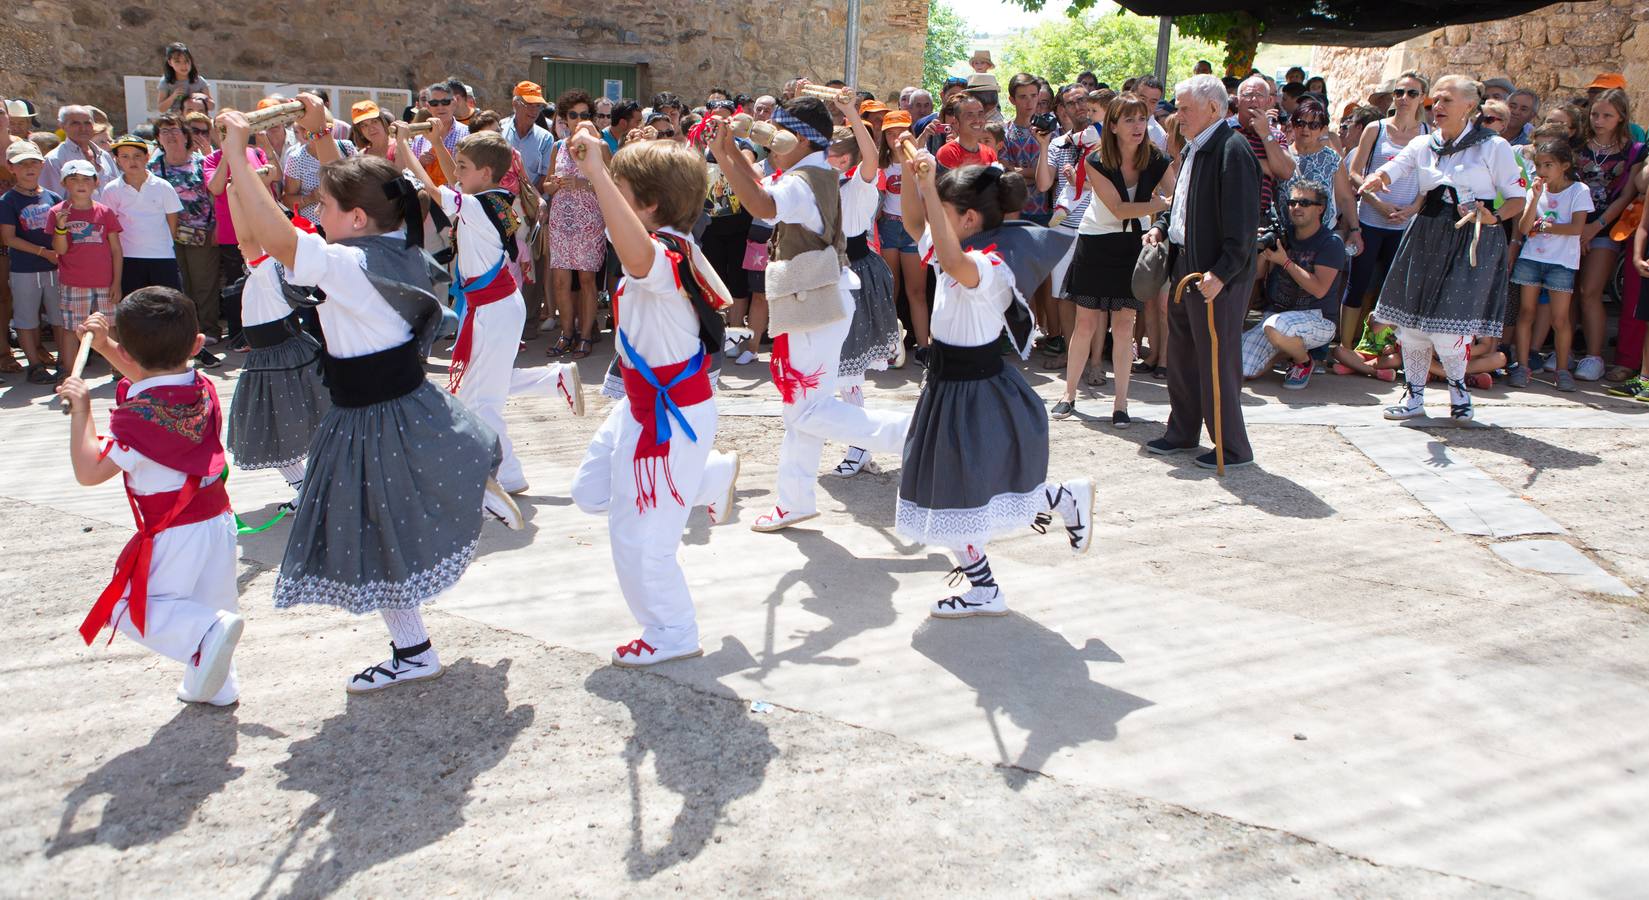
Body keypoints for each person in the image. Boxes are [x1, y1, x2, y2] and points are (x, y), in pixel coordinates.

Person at [218, 100, 517, 692]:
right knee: (379, 530)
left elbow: (277, 237)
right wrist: (321, 132)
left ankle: (415, 650)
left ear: (355, 218)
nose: (315, 215)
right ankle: (469, 478)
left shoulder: (347, 265)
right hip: (399, 405)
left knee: (373, 534)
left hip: (370, 418)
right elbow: (364, 184)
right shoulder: (396, 240)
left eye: (323, 208)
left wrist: (235, 153)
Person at [564, 130, 741, 665]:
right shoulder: (669, 249)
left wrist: (597, 172)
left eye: (621, 191)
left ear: (649, 205)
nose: (610, 196)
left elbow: (635, 254)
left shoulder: (661, 257)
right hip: (641, 406)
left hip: (669, 415)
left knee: (642, 538)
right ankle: (710, 477)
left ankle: (672, 631)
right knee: (590, 492)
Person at [896, 158, 1092, 617]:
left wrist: (926, 182)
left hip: (976, 393)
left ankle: (990, 583)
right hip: (947, 389)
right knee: (954, 494)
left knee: (962, 493)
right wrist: (910, 176)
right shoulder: (962, 243)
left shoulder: (987, 263)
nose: (931, 218)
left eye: (940, 209)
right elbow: (910, 222)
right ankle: (1060, 503)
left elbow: (950, 259)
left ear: (967, 218)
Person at [709, 94, 911, 533]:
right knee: (802, 409)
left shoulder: (804, 180)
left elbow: (762, 206)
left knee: (804, 411)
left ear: (800, 138)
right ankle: (793, 500)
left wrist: (726, 157)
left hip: (814, 305)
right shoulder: (813, 171)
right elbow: (766, 192)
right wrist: (728, 153)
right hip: (818, 300)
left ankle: (910, 432)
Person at [56, 290, 244, 706]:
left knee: (130, 609)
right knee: (212, 607)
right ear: (197, 344)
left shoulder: (139, 420)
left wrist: (82, 410)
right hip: (218, 522)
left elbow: (89, 471)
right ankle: (217, 686)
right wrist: (106, 345)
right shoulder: (202, 386)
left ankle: (207, 639)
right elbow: (151, 375)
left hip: (174, 532)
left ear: (129, 351)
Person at [397, 121, 585, 495]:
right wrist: (437, 143)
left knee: (485, 398)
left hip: (494, 307)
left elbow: (435, 190)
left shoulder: (477, 206)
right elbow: (455, 182)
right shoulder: (492, 197)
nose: (458, 173)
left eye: (464, 166)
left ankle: (507, 475)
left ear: (484, 172)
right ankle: (552, 382)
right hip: (491, 305)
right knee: (474, 387)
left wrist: (405, 145)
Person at [1363, 74, 1527, 423]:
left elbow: (1517, 197)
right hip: (1425, 234)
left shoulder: (1492, 146)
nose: (1436, 107)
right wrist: (1379, 178)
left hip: (1471, 237)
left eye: (1445, 100)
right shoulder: (1425, 143)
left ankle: (1459, 394)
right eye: (1434, 100)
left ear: (1470, 106)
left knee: (1449, 327)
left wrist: (1494, 216)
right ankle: (1414, 397)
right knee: (1411, 327)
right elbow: (1398, 165)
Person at [1142, 74, 1262, 470]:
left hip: (1214, 276)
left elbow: (1244, 226)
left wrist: (1222, 273)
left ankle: (1232, 447)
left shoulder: (1233, 149)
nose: (1178, 115)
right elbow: (1184, 202)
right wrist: (1161, 226)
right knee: (1183, 356)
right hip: (1185, 267)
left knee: (1216, 360)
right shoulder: (1197, 147)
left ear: (1213, 108)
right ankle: (1183, 431)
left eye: (1184, 107)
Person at [1054, 92, 1172, 426]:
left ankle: (1121, 404)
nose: (1138, 126)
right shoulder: (1095, 160)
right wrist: (1160, 205)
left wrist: (1161, 218)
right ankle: (1069, 394)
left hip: (1135, 245)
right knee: (1086, 324)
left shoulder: (1157, 158)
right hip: (1096, 244)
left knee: (1124, 326)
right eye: (1130, 119)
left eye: (1142, 119)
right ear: (1114, 126)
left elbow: (1178, 197)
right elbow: (1118, 208)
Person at [220, 183, 328, 498]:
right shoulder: (282, 265)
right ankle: (311, 484)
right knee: (294, 424)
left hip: (274, 358)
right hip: (289, 351)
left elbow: (245, 239)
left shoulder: (269, 267)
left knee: (275, 428)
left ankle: (305, 487)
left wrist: (234, 192)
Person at [826, 112, 902, 478]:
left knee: (847, 369)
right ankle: (861, 444)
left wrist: (855, 115)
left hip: (855, 275)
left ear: (847, 158)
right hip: (827, 275)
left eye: (835, 153)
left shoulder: (860, 183)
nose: (828, 158)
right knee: (834, 369)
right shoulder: (823, 183)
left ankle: (861, 446)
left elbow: (871, 158)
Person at [1344, 72, 1430, 347]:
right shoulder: (1375, 129)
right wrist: (1377, 203)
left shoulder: (1429, 135)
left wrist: (1415, 207)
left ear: (1422, 98)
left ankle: (1379, 348)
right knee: (1357, 284)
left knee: (1393, 292)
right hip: (1370, 219)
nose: (1404, 98)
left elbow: (1431, 180)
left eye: (1412, 93)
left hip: (1405, 224)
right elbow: (1355, 173)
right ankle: (1345, 346)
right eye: (1399, 92)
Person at [1241, 180, 1347, 389]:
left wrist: (1285, 262)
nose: (1296, 208)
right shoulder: (1283, 234)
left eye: (1304, 203)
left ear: (1320, 208)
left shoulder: (1331, 242)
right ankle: (1284, 352)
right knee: (1243, 370)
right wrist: (1263, 251)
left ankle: (1303, 361)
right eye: (1292, 202)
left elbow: (1318, 289)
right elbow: (1257, 276)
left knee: (1276, 326)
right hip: (1277, 314)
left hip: (1318, 318)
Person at [1570, 88, 1645, 382]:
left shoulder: (1634, 150)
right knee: (1568, 292)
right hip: (1570, 225)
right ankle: (1563, 353)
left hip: (1604, 227)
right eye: (1595, 114)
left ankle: (1594, 355)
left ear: (1621, 117)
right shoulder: (1577, 146)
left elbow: (1626, 196)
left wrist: (1593, 227)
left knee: (1590, 291)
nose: (1599, 120)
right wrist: (1578, 228)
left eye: (1607, 116)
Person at [1510, 140, 1593, 390]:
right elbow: (1524, 228)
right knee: (1526, 313)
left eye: (1548, 165)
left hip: (1561, 263)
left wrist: (1543, 226)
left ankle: (1562, 371)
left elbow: (1577, 228)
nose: (1542, 171)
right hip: (1532, 259)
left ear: (1564, 165)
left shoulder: (1579, 190)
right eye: (1538, 165)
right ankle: (1522, 367)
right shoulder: (1535, 191)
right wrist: (1534, 199)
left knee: (1560, 319)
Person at [544, 89, 610, 360]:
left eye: (584, 115)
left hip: (589, 220)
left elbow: (614, 185)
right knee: (560, 280)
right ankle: (566, 333)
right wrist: (554, 185)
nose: (578, 119)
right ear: (564, 118)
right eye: (573, 115)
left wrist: (584, 183)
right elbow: (546, 185)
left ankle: (585, 335)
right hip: (561, 219)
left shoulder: (601, 147)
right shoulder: (558, 147)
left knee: (586, 279)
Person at [150, 114, 219, 359]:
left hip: (202, 232)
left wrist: (217, 226)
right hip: (169, 235)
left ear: (185, 134)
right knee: (180, 286)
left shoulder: (201, 162)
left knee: (204, 283)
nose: (170, 135)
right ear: (158, 138)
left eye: (175, 130)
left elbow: (214, 196)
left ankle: (208, 329)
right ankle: (185, 334)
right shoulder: (154, 167)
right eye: (164, 131)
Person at [51, 159, 123, 379]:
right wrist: (61, 228)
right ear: (64, 184)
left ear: (95, 183)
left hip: (105, 281)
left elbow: (116, 250)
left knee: (110, 325)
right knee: (73, 329)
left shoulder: (105, 212)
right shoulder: (57, 212)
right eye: (73, 179)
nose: (80, 184)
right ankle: (71, 374)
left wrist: (116, 283)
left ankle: (119, 369)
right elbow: (60, 250)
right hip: (73, 282)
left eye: (85, 179)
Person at [1, 140, 63, 382]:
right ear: (11, 167)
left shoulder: (53, 196)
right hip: (25, 269)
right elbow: (8, 238)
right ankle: (34, 366)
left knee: (59, 316)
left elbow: (61, 231)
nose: (29, 169)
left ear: (42, 165)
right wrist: (42, 252)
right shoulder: (8, 201)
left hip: (53, 267)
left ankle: (64, 361)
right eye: (22, 164)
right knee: (27, 318)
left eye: (33, 163)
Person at [102, 135, 184, 298]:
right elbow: (110, 227)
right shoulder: (111, 190)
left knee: (166, 306)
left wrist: (163, 246)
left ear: (147, 157)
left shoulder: (163, 186)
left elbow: (172, 222)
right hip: (128, 257)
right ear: (117, 160)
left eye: (137, 156)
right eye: (125, 156)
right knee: (134, 308)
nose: (132, 161)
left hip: (162, 256)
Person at [503, 82, 554, 338]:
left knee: (531, 263)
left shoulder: (545, 137)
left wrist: (526, 197)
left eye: (538, 105)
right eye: (529, 104)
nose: (534, 110)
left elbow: (545, 174)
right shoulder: (500, 131)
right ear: (515, 103)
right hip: (499, 205)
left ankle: (529, 320)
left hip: (531, 206)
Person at [876, 110, 927, 355]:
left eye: (902, 131)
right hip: (888, 226)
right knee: (890, 289)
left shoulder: (923, 160)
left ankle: (924, 347)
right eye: (891, 133)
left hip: (914, 228)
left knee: (916, 291)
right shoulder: (879, 163)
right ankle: (888, 346)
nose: (896, 138)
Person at [42, 106, 118, 196]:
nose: (83, 128)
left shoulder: (104, 156)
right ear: (62, 126)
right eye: (75, 123)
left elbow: (118, 191)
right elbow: (52, 200)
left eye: (87, 123)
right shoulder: (54, 160)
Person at [410, 82, 470, 189]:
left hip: (457, 201)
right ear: (428, 107)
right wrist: (420, 163)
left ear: (454, 103)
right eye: (434, 103)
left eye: (445, 102)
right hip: (428, 201)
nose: (440, 107)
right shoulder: (419, 139)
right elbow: (409, 176)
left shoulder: (468, 134)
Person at [934, 94, 996, 170]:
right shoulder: (948, 153)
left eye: (980, 114)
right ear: (956, 122)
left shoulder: (990, 153)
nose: (977, 120)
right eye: (970, 115)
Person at [156, 42, 213, 114]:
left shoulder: (199, 80)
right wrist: (173, 96)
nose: (183, 65)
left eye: (186, 61)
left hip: (196, 120)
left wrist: (202, 97)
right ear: (170, 63)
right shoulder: (165, 82)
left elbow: (212, 107)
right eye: (177, 62)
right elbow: (161, 109)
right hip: (176, 121)